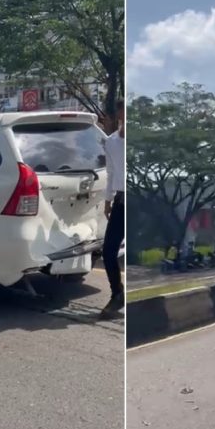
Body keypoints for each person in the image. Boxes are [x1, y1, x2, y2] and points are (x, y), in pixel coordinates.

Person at [100, 99, 125, 319]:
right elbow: (109, 173)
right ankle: (118, 294)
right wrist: (107, 201)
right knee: (108, 251)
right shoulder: (111, 142)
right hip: (121, 202)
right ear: (120, 114)